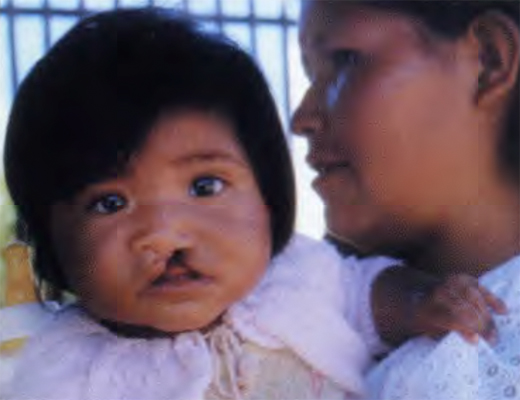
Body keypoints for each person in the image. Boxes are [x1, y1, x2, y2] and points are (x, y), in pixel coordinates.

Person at [0, 6, 504, 400]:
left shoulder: (299, 277)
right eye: (109, 202)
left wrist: (420, 303)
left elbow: (365, 293)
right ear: (51, 239)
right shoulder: (62, 372)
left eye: (204, 187)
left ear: (268, 198)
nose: (164, 232)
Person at [291, 1, 520, 399]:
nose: (301, 118)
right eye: (309, 75)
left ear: (488, 59)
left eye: (345, 60)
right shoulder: (269, 324)